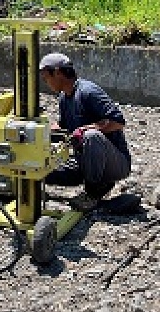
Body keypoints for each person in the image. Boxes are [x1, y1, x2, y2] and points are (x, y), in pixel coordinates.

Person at [38, 52, 131, 211]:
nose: (45, 81)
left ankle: (94, 192)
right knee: (41, 170)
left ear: (58, 72)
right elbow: (63, 128)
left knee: (90, 136)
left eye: (46, 77)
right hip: (84, 160)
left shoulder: (88, 91)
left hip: (114, 163)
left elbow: (118, 122)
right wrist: (41, 132)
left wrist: (86, 129)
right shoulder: (64, 98)